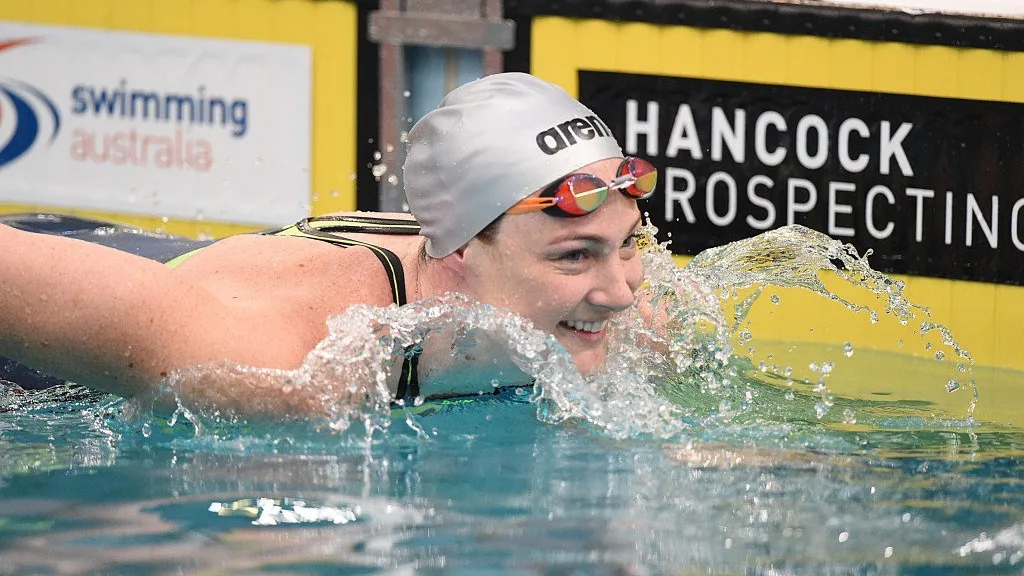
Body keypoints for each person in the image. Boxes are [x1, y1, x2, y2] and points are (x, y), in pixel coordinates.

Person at [0, 73, 659, 418]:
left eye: (626, 244)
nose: (621, 292)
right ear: (460, 250)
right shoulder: (287, 361)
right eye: (573, 255)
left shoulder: (613, 313)